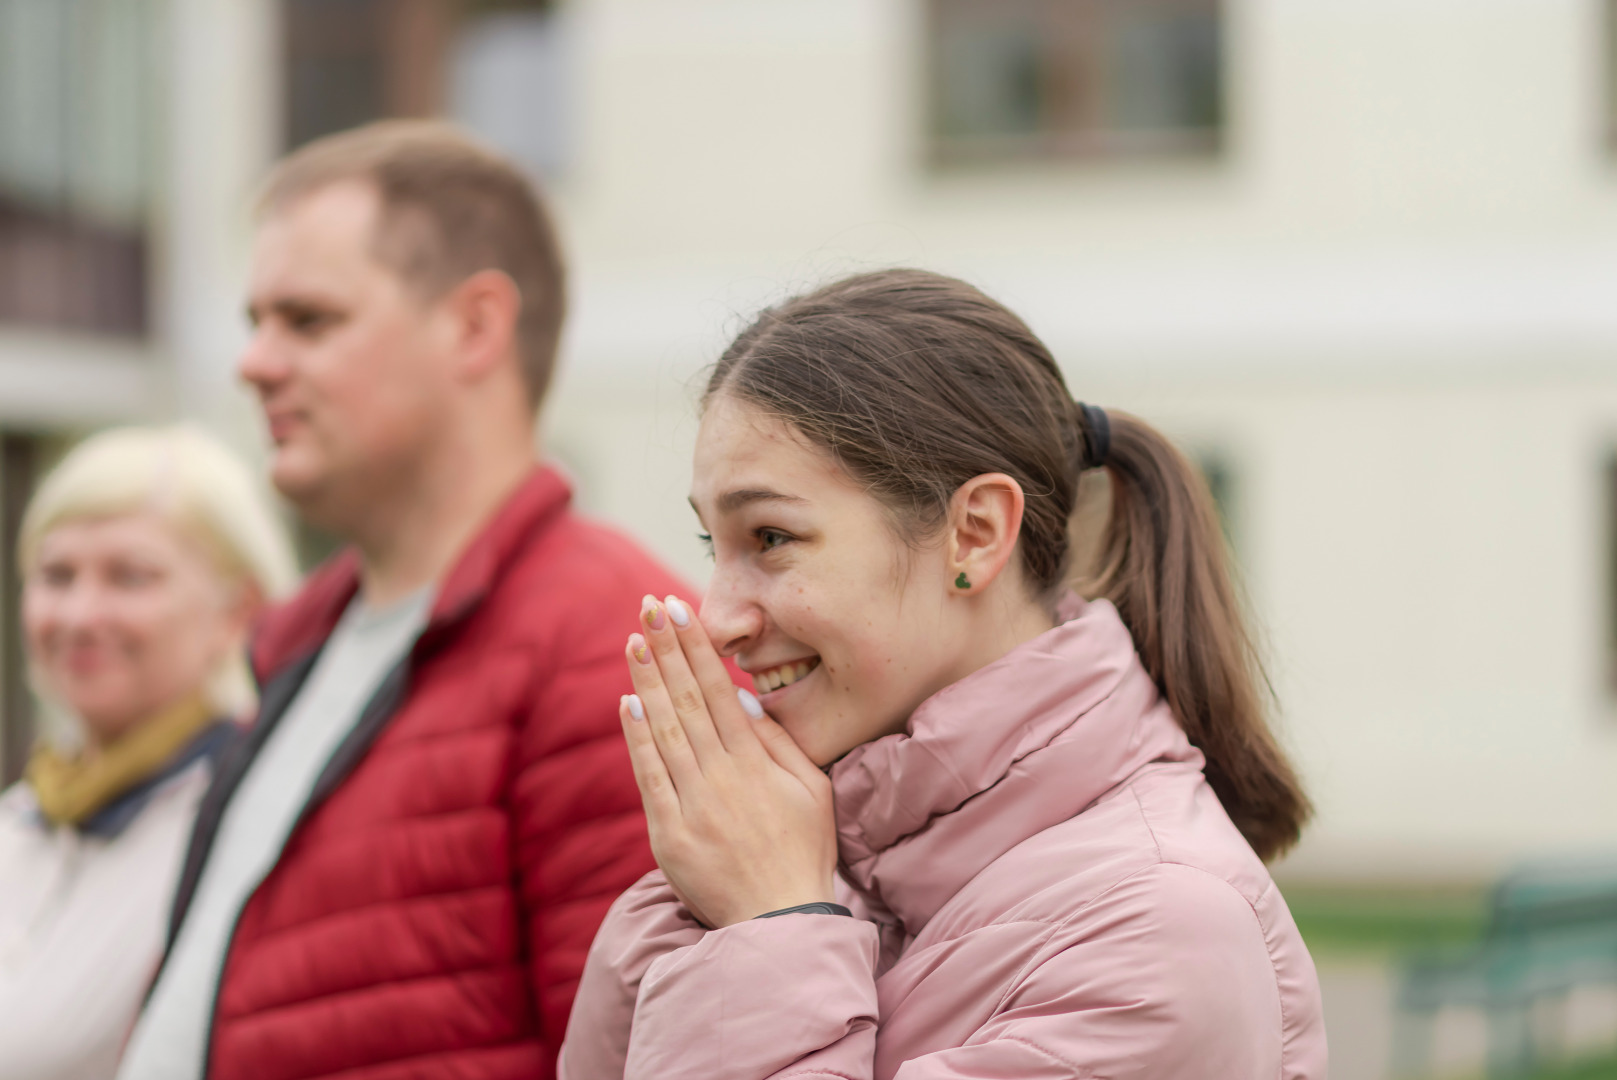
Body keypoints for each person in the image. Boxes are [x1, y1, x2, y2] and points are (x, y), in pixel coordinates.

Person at [559, 269, 1329, 1080]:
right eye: (714, 547)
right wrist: (709, 904)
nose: (717, 619)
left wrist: (772, 925)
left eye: (772, 537)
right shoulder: (808, 851)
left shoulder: (1161, 935)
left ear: (973, 533)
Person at [117, 122, 680, 1080]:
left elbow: (636, 1055)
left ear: (474, 327)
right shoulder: (294, 646)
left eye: (308, 320)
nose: (252, 362)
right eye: (256, 321)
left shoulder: (611, 647)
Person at [0, 426, 297, 1080]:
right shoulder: (24, 821)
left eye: (129, 578)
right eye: (55, 575)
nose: (79, 614)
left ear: (236, 611)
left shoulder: (253, 830)